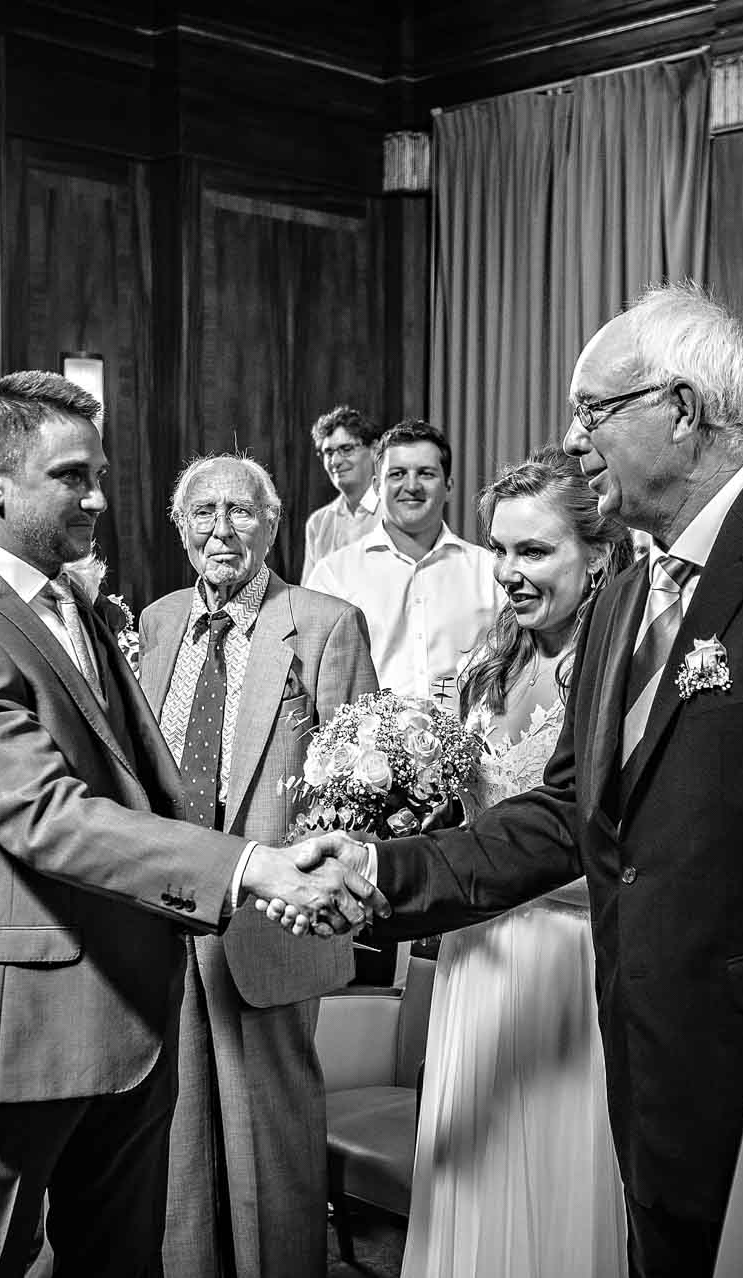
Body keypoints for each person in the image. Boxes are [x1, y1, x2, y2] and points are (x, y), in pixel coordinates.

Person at [286, 284, 743, 1278]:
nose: (575, 441)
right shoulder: (626, 598)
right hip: (647, 1079)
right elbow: (561, 819)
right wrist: (381, 869)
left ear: (679, 410)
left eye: (594, 410)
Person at [0, 371, 376, 1278]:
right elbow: (43, 815)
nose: (100, 496)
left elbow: (147, 788)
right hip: (13, 1029)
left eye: (98, 473)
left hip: (132, 1018)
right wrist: (251, 866)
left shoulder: (73, 606)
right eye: (73, 476)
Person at [136, 454, 375, 1278]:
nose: (221, 529)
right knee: (176, 1130)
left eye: (241, 511)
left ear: (274, 523)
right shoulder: (159, 621)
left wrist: (314, 880)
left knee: (268, 1130)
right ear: (179, 527)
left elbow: (357, 782)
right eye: (203, 512)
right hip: (168, 906)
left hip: (271, 916)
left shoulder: (325, 621)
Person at [402, 448, 632, 1278]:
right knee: (477, 1169)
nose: (508, 572)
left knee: (561, 1184)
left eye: (533, 551)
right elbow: (467, 818)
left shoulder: (621, 676)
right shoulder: (486, 665)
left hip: (571, 958)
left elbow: (622, 841)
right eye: (499, 550)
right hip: (478, 953)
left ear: (599, 555)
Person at [305, 419, 504, 703]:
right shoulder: (333, 577)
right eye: (397, 474)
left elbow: (512, 669)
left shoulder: (489, 571)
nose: (411, 486)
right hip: (364, 744)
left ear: (448, 486)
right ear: (376, 486)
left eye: (425, 474)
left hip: (474, 740)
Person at [301, 404, 384, 577]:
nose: (335, 461)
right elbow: (309, 597)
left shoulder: (393, 513)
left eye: (346, 449)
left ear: (375, 450)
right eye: (328, 452)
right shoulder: (318, 523)